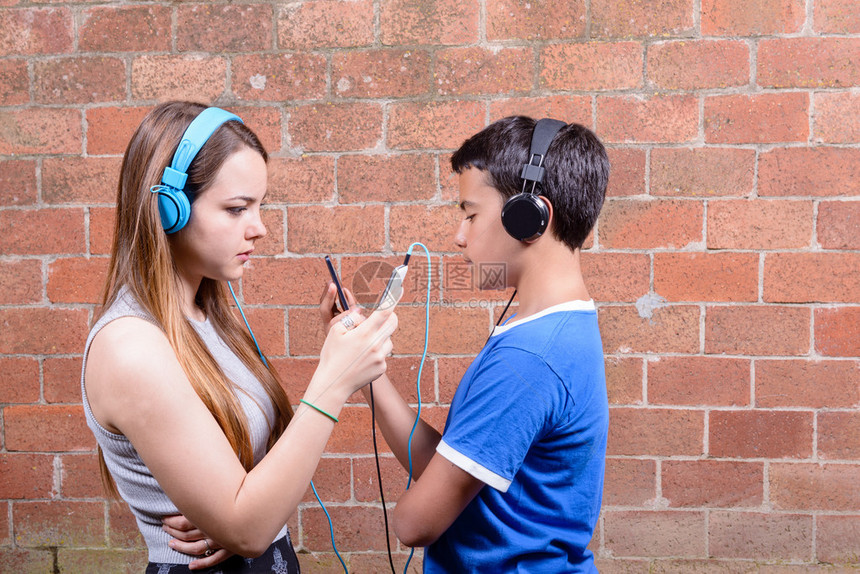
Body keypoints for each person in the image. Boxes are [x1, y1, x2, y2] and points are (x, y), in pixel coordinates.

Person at [81, 101, 397, 573]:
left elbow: (253, 499)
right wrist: (333, 380)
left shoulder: (206, 318)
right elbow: (249, 528)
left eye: (259, 205)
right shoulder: (131, 348)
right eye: (235, 208)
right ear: (169, 210)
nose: (259, 228)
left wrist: (232, 509)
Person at [321, 116, 610, 572]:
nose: (459, 237)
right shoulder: (555, 330)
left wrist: (412, 505)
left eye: (471, 214)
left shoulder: (529, 360)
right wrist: (363, 368)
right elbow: (449, 469)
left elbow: (414, 525)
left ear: (529, 216)